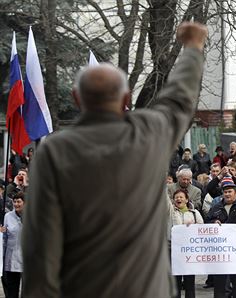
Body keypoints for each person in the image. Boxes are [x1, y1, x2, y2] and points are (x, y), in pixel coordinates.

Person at [22, 22, 208, 298]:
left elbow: (40, 240)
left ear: (76, 99)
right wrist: (193, 48)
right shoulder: (149, 134)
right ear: (127, 98)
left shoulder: (55, 151)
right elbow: (179, 99)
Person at [207, 176, 236, 298]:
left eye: (230, 192)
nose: (227, 194)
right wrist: (214, 222)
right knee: (221, 278)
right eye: (225, 192)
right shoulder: (216, 207)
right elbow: (207, 220)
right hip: (220, 249)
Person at [167, 189, 204, 298]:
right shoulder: (170, 212)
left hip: (189, 251)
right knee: (175, 281)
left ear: (187, 200)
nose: (178, 199)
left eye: (181, 197)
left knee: (189, 281)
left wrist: (193, 227)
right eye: (176, 197)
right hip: (174, 250)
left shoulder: (194, 213)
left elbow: (202, 229)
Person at [1, 192, 25, 298]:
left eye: (19, 201)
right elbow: (4, 238)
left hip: (27, 259)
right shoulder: (8, 216)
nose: (16, 204)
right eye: (14, 202)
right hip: (11, 259)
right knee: (11, 290)